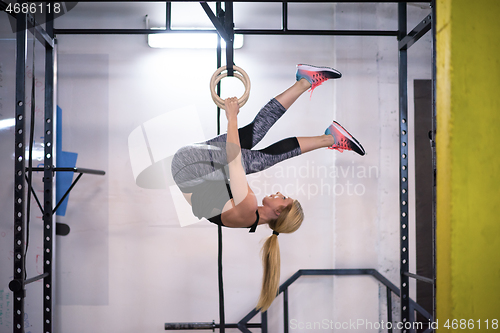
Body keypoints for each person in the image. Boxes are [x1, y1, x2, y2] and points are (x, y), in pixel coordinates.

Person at [171, 64, 365, 312]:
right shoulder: (250, 216)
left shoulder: (247, 209)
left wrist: (232, 116)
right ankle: (312, 99)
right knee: (255, 139)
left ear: (277, 213)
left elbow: (233, 159)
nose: (278, 193)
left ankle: (328, 132)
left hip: (188, 166)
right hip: (198, 171)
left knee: (258, 154)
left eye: (282, 198)